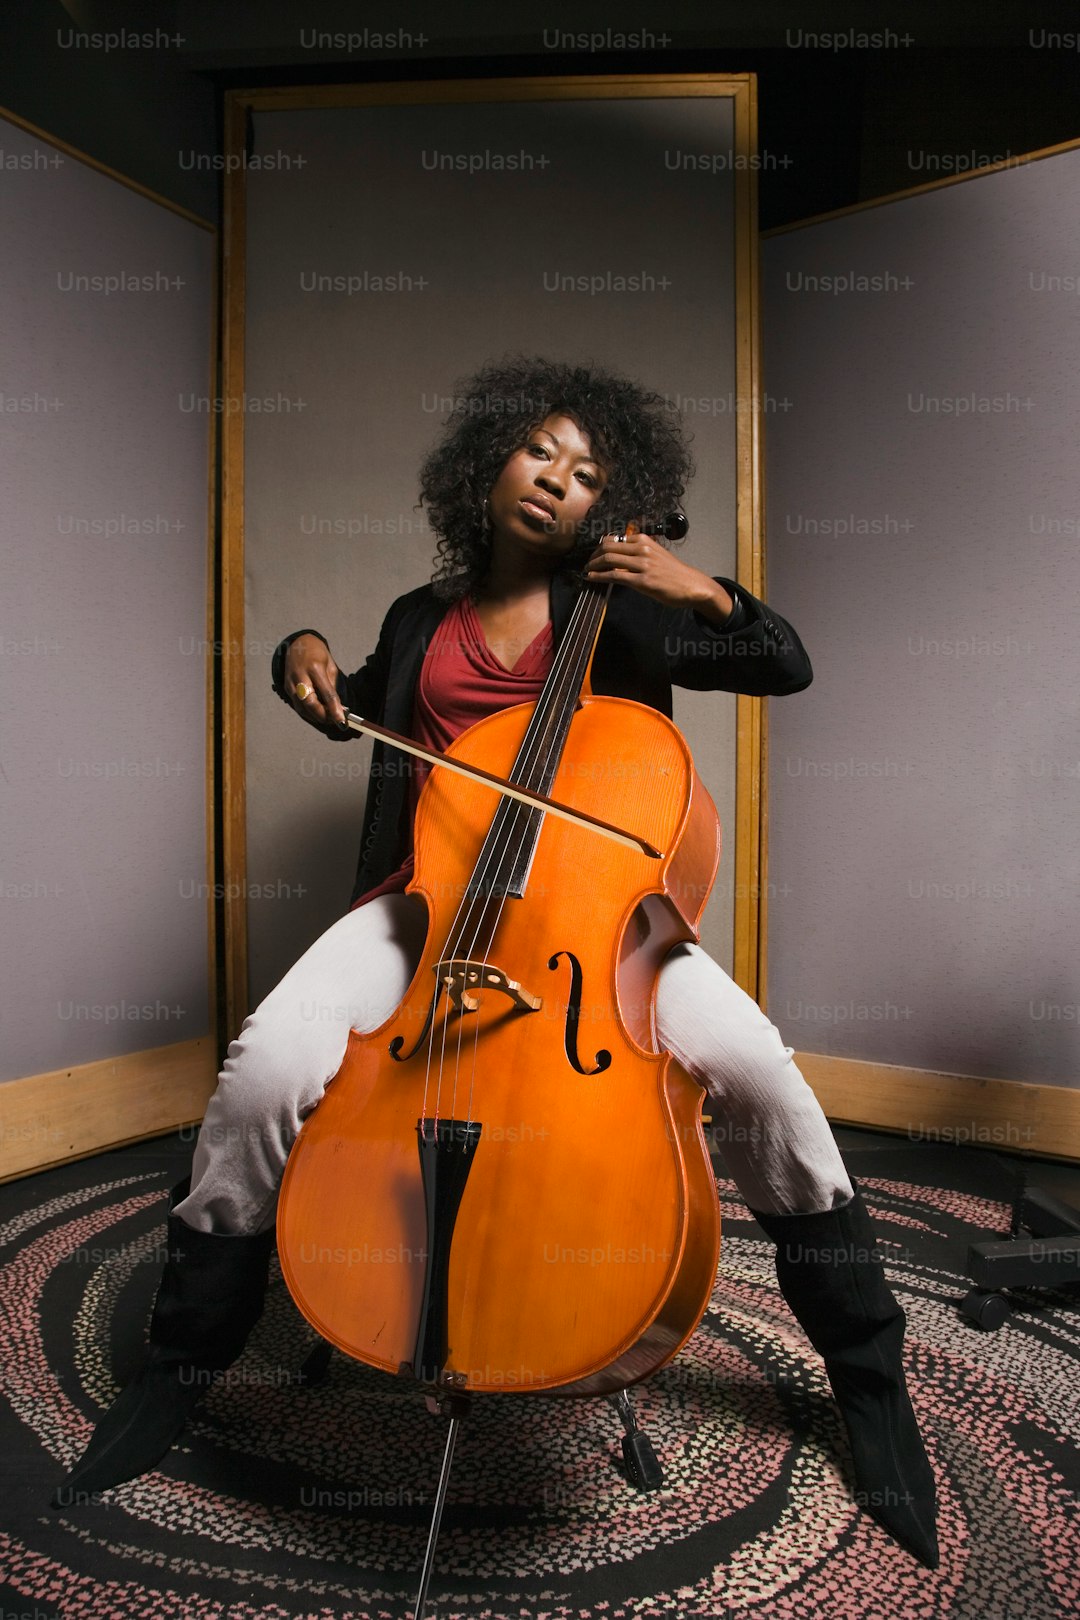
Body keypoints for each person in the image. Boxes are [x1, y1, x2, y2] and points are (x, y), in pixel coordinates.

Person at [55, 356, 938, 1568]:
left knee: (768, 1078)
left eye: (585, 477)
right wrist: (299, 654)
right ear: (490, 464)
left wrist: (704, 590)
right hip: (423, 914)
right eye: (539, 455)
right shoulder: (423, 620)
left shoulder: (627, 615)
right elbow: (352, 697)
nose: (556, 485)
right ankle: (182, 1365)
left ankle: (868, 1381)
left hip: (593, 929)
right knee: (263, 1069)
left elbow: (781, 663)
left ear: (604, 509)